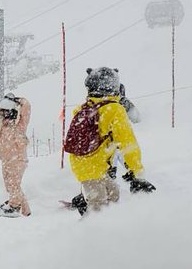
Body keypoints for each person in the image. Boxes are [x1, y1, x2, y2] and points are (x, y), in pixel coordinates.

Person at [66, 67, 155, 214]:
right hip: (93, 168)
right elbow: (128, 143)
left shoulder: (83, 108)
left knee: (113, 194)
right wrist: (137, 173)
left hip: (84, 165)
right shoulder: (114, 109)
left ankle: (99, 216)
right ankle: (90, 231)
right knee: (99, 209)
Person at [0, 92, 31, 217]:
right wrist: (4, 103)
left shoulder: (19, 125)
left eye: (8, 111)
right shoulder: (2, 125)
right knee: (10, 185)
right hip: (6, 159)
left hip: (18, 159)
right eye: (4, 111)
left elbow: (27, 107)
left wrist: (18, 100)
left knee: (14, 184)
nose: (6, 114)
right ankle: (26, 211)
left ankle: (14, 206)